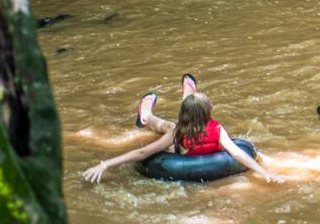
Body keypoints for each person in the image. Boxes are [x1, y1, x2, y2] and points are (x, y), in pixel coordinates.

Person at [82, 73, 282, 183]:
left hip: (182, 136)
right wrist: (264, 173)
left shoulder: (180, 131)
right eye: (210, 105)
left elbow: (143, 151)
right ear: (209, 111)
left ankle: (149, 114)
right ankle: (149, 114)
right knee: (170, 126)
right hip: (182, 147)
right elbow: (238, 154)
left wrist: (105, 164)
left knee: (172, 125)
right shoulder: (215, 130)